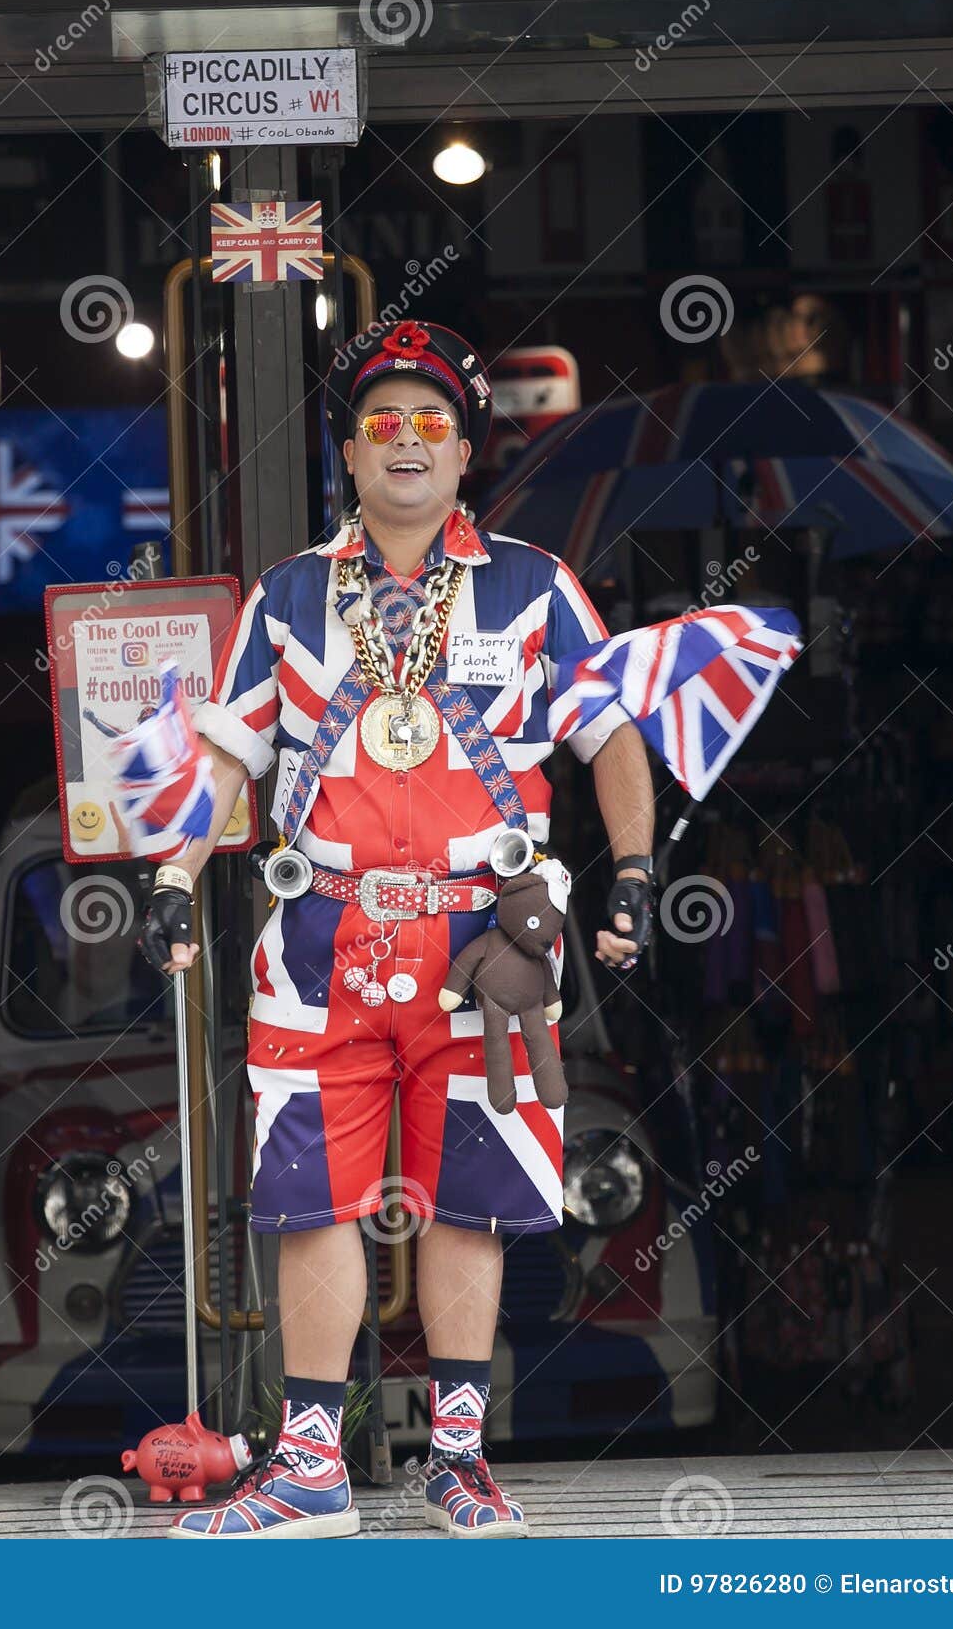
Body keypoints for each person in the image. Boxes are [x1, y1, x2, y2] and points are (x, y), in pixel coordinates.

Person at [140, 319, 657, 1539]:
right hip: (320, 944)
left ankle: (460, 1459)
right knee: (310, 1197)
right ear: (350, 450)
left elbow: (613, 735)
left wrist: (636, 869)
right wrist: (172, 872)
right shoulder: (287, 595)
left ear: (467, 448)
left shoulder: (534, 585)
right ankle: (310, 1465)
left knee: (469, 1196)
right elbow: (226, 756)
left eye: (433, 421)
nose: (410, 440)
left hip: (488, 951)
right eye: (385, 421)